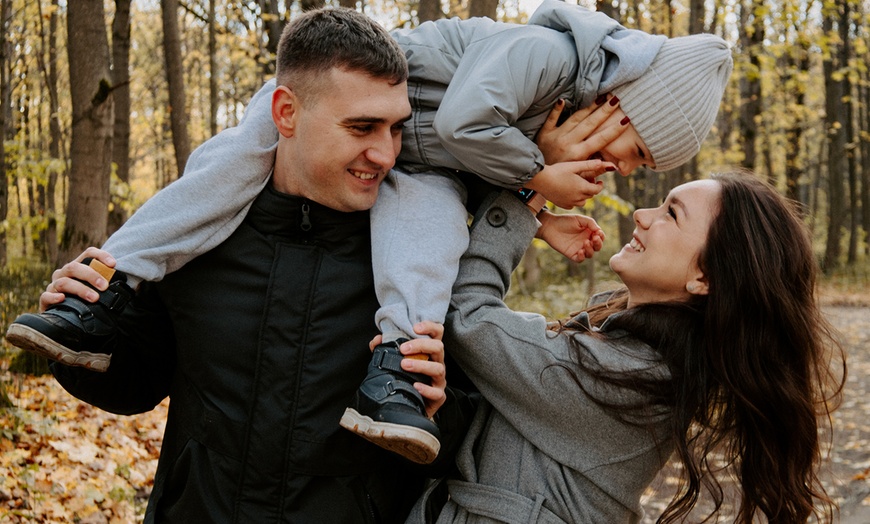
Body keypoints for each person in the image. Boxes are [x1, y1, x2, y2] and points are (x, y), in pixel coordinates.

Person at [6, 1, 733, 463]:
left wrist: (533, 213)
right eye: (360, 128)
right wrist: (90, 339)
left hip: (434, 180)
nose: (618, 168)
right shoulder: (543, 53)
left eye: (633, 165)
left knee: (428, 232)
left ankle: (394, 383)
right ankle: (103, 293)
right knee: (217, 171)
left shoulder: (423, 222)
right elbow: (137, 385)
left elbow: (464, 171)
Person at [25, 9, 477, 522]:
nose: (386, 154)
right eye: (362, 127)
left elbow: (470, 433)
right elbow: (135, 384)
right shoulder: (194, 234)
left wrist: (441, 411)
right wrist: (74, 339)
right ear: (285, 113)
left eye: (396, 128)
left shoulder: (420, 262)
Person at [403, 172, 845, 523]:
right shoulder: (633, 351)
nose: (641, 214)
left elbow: (469, 317)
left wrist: (523, 196)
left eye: (672, 214)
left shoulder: (628, 379)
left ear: (705, 277)